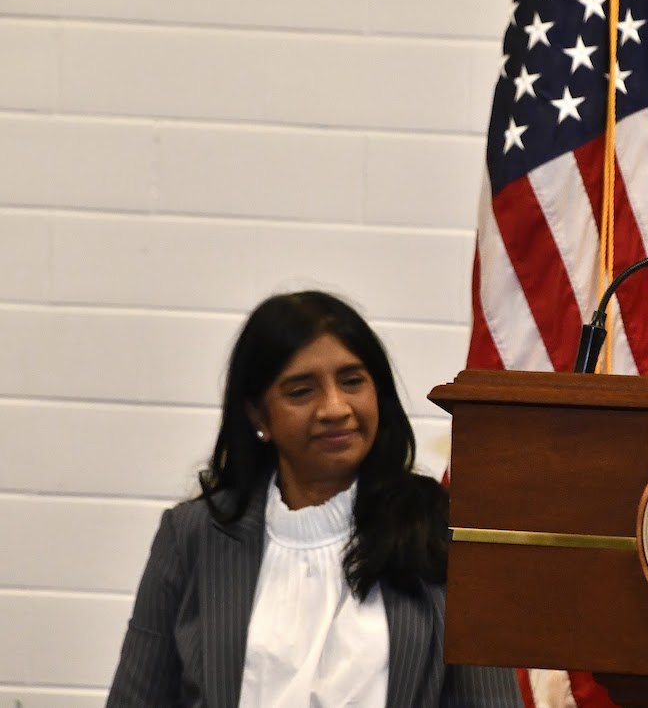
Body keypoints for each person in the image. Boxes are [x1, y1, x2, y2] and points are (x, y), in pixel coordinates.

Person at [107, 290, 521, 706]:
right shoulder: (193, 535)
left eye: (352, 381)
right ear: (258, 416)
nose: (335, 408)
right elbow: (136, 698)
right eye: (302, 391)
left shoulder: (441, 530)